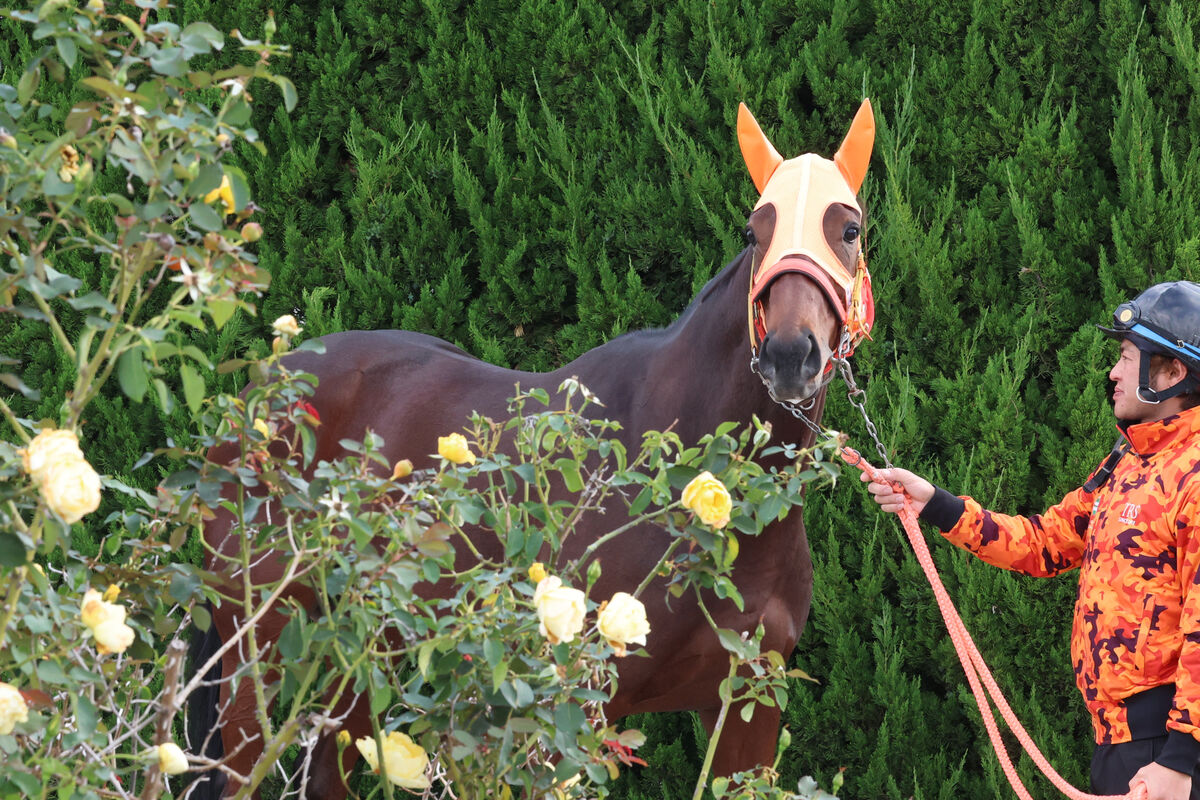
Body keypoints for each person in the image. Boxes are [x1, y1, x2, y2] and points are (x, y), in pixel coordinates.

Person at [864, 281, 1200, 800]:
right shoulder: (1127, 462)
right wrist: (933, 502)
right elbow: (1045, 543)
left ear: (1172, 372)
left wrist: (1180, 763)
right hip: (1121, 747)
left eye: (1128, 357)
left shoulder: (1195, 475)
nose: (1112, 372)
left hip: (1167, 758)